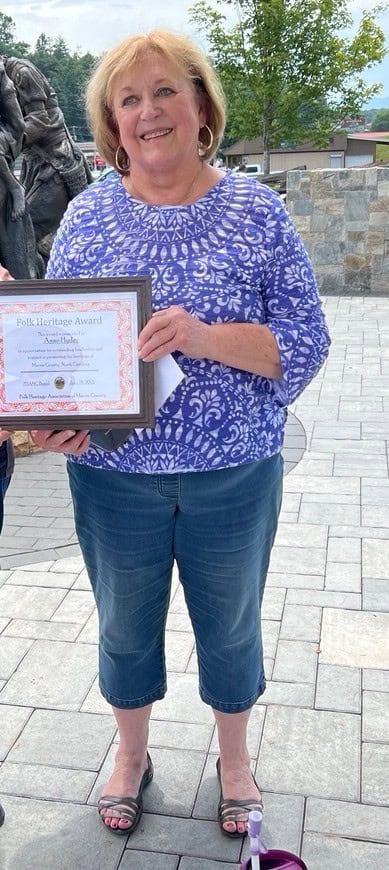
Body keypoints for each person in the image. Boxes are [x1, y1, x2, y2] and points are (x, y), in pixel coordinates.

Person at [23, 30, 330, 840]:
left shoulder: (256, 210)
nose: (147, 112)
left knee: (229, 624)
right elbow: (60, 347)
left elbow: (304, 339)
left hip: (233, 474)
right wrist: (59, 428)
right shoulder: (89, 214)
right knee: (123, 624)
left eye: (164, 92)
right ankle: (130, 755)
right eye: (128, 100)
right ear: (111, 126)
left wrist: (204, 336)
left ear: (201, 108)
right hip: (112, 477)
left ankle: (234, 761)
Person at [2, 56, 93, 267]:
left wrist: (7, 142)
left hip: (56, 164)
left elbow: (40, 120)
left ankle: (43, 290)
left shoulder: (22, 73)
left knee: (23, 232)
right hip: (32, 165)